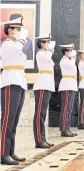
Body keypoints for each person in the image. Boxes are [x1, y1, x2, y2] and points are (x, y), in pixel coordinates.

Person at [0, 17, 27, 165]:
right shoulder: (7, 44)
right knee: (7, 120)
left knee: (14, 120)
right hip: (10, 82)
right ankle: (3, 153)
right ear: (10, 30)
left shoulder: (14, 45)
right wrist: (21, 40)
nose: (20, 32)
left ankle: (10, 151)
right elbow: (19, 49)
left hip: (19, 82)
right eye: (18, 29)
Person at [33, 34, 56, 148]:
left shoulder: (46, 54)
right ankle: (39, 140)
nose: (48, 44)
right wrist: (50, 49)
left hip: (47, 85)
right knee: (39, 114)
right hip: (41, 85)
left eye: (48, 42)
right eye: (46, 42)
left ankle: (43, 138)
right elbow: (48, 58)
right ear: (41, 43)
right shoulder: (41, 54)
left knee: (43, 114)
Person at [59, 44, 78, 137]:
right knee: (66, 108)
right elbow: (71, 65)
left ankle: (67, 127)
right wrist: (73, 57)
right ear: (66, 52)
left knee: (69, 109)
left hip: (72, 85)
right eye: (70, 51)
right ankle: (64, 129)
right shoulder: (64, 61)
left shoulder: (69, 60)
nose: (71, 53)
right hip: (66, 85)